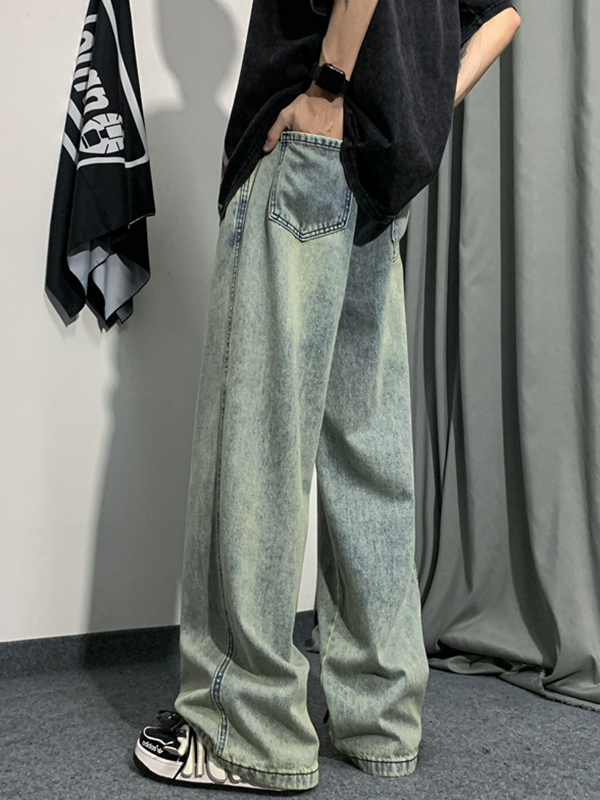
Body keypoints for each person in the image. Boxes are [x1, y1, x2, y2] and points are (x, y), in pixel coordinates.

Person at [133, 0, 521, 792]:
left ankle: (244, 729)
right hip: (382, 172)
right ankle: (381, 721)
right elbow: (503, 14)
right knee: (366, 453)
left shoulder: (316, 91)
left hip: (309, 146)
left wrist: (331, 85)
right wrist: (416, 107)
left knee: (258, 442)